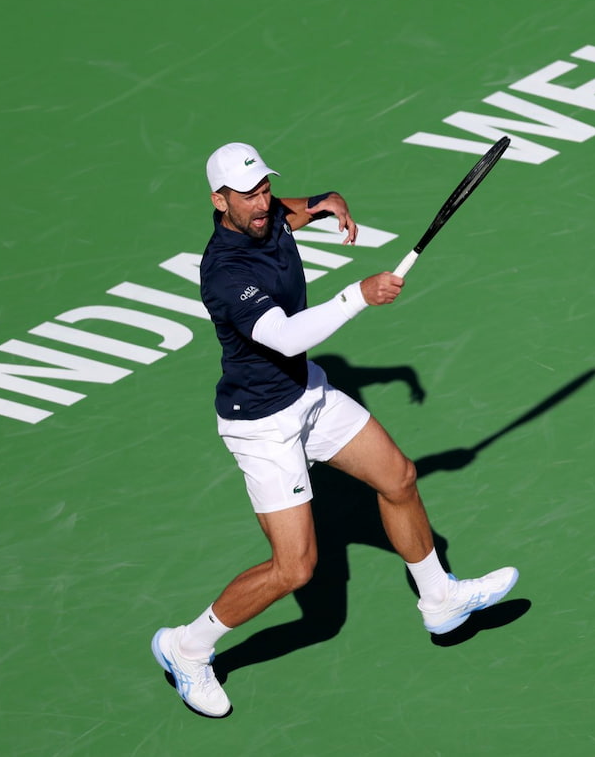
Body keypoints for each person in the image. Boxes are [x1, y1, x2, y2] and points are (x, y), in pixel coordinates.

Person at [150, 142, 518, 718]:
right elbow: (288, 337)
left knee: (398, 477)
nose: (263, 202)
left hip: (309, 394)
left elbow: (293, 210)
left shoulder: (267, 216)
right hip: (262, 426)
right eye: (247, 195)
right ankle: (186, 647)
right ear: (219, 201)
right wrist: (358, 295)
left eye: (265, 187)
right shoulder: (225, 272)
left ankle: (440, 598)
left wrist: (325, 202)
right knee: (295, 569)